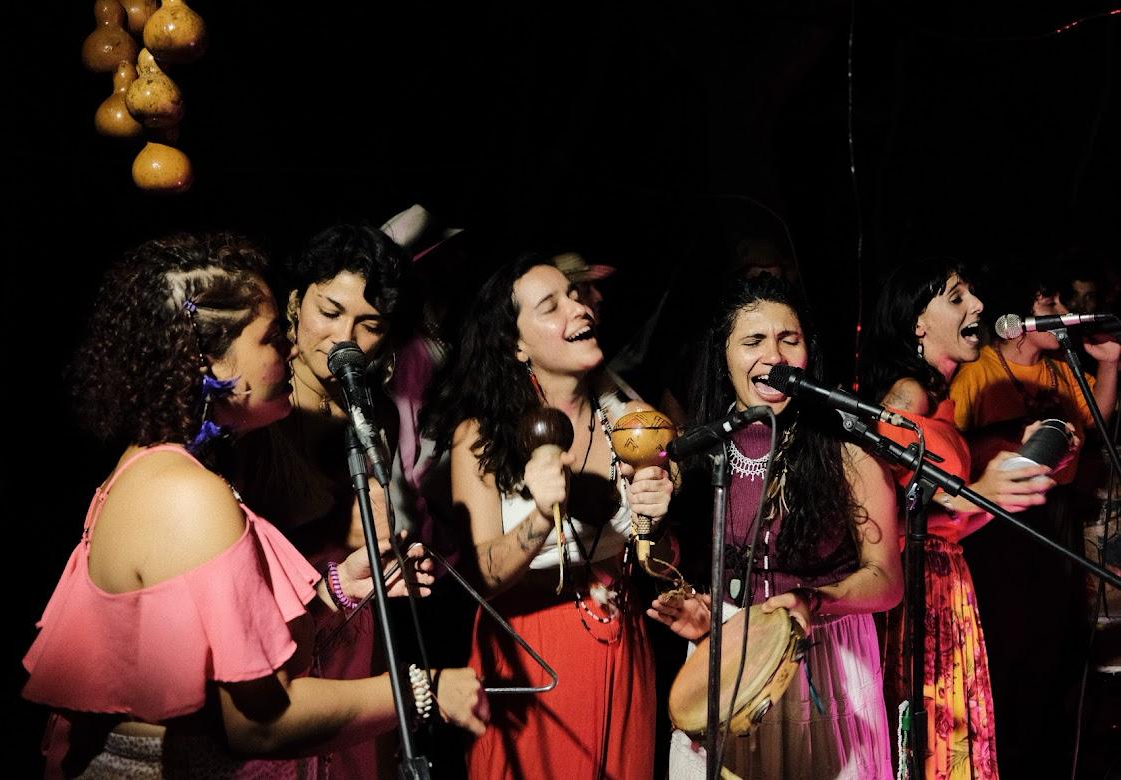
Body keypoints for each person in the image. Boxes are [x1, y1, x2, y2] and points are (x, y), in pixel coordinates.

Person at [22, 232, 488, 778]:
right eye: (270, 338)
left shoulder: (164, 467)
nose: (290, 350)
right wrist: (421, 688)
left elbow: (216, 645)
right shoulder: (188, 495)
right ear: (207, 360)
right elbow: (262, 722)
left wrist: (338, 589)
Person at [422, 253, 676, 779]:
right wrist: (541, 515)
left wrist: (654, 520)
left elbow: (660, 563)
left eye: (575, 296)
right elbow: (481, 577)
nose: (578, 308)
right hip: (530, 648)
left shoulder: (632, 422)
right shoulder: (481, 437)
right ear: (516, 344)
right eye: (551, 305)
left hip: (621, 638)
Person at [647, 272, 902, 779]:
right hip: (728, 657)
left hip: (825, 661)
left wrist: (814, 600)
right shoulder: (699, 450)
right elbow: (670, 562)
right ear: (724, 357)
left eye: (789, 339)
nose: (775, 356)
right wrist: (699, 606)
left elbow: (888, 581)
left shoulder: (846, 451)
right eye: (753, 341)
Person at [232, 221, 452, 778]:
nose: (344, 337)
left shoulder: (370, 410)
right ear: (293, 303)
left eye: (368, 324)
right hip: (276, 635)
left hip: (353, 626)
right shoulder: (256, 409)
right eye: (329, 312)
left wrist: (393, 557)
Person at [858, 258, 1060, 779]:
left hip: (946, 583)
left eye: (972, 294)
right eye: (956, 297)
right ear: (917, 323)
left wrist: (1004, 491)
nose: (978, 305)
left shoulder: (938, 399)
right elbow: (877, 508)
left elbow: (951, 521)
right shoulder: (906, 393)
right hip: (915, 590)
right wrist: (972, 495)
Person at [948, 266, 1118, 778]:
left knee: (1055, 644)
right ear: (1016, 318)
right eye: (1050, 307)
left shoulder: (1061, 369)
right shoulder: (980, 372)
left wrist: (1110, 364)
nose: (1063, 316)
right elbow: (954, 450)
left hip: (1055, 517)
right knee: (1011, 644)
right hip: (1001, 524)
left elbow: (1095, 421)